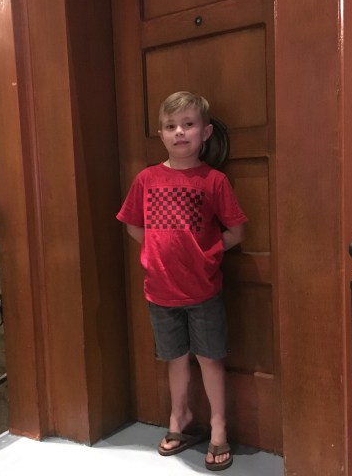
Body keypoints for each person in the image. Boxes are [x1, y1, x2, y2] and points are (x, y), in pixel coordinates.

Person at [117, 91, 247, 471]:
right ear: (160, 133)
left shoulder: (214, 181)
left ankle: (219, 427)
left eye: (188, 125)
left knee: (209, 360)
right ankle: (180, 416)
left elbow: (236, 231)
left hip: (203, 290)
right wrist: (158, 251)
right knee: (174, 359)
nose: (179, 132)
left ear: (204, 133)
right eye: (171, 126)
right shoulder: (147, 179)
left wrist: (205, 253)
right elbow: (132, 224)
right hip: (160, 291)